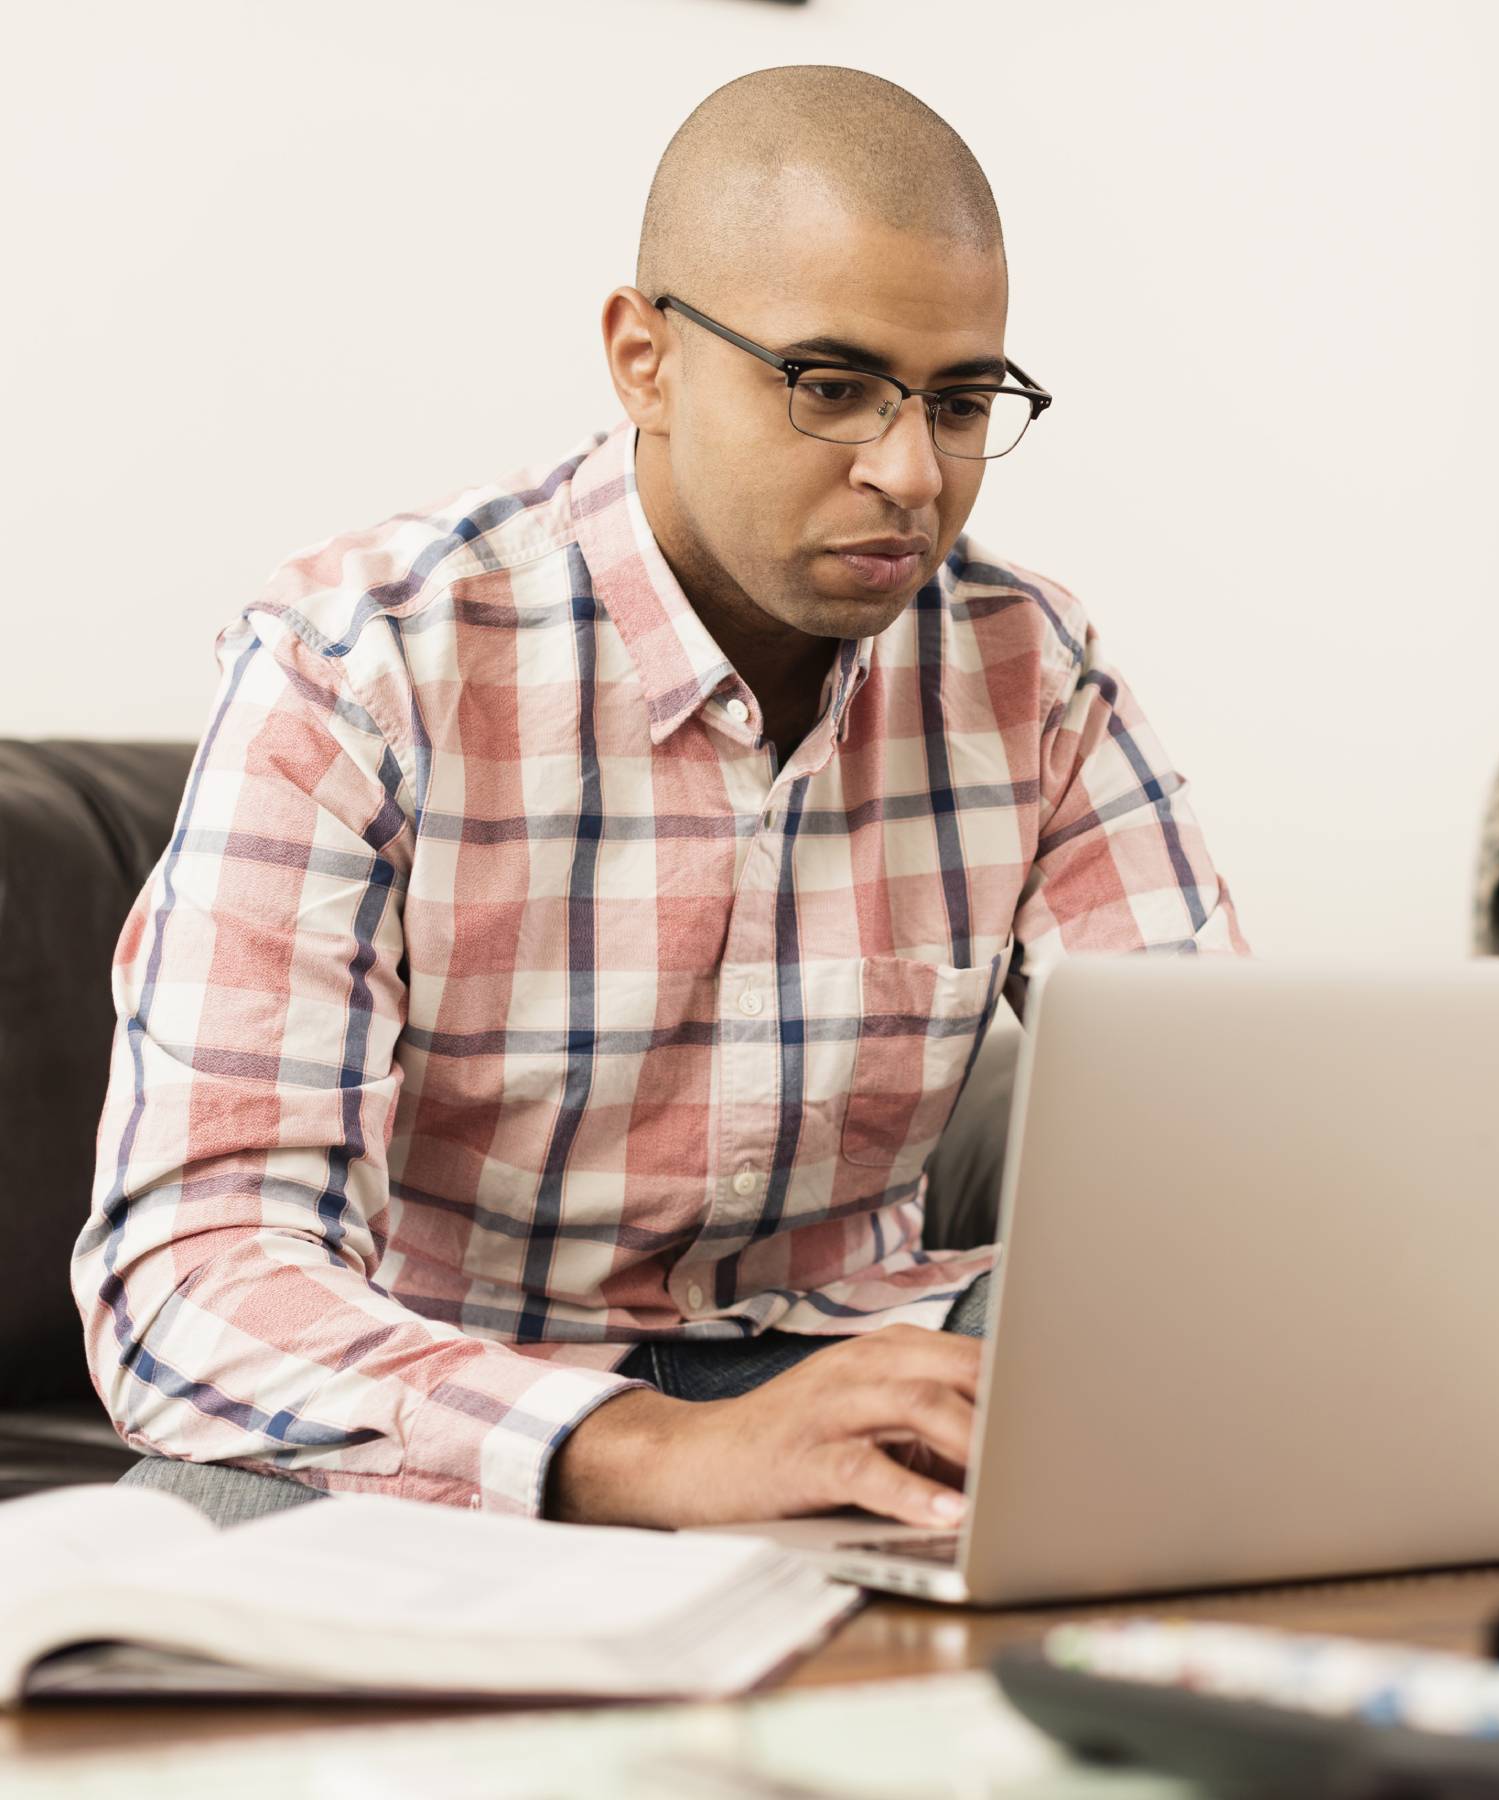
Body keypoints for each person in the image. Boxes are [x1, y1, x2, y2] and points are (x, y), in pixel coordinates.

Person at [72, 65, 1245, 1534]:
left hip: (863, 1365)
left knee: (1238, 1364)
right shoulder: (360, 667)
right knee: (190, 1513)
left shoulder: (1032, 672)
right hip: (472, 1411)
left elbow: (1219, 1160)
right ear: (642, 357)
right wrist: (658, 1452)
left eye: (958, 402)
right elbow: (193, 1270)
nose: (909, 474)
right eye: (832, 386)